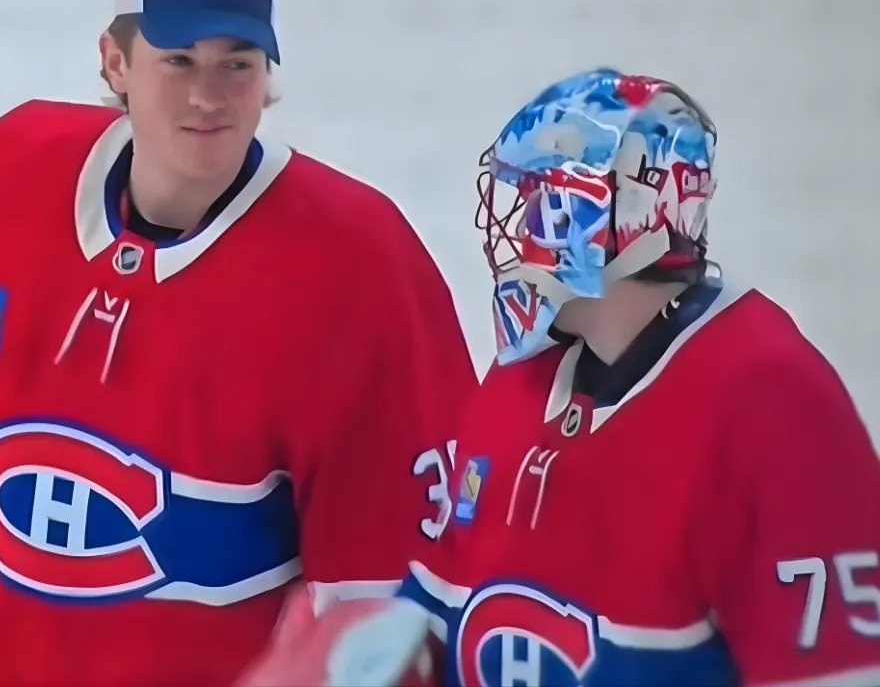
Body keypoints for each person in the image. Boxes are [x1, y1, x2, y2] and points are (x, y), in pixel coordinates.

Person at [0, 0, 478, 685]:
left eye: (237, 64)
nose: (208, 94)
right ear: (115, 61)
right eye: (178, 61)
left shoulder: (359, 268)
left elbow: (396, 595)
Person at [238, 69, 880, 687]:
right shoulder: (521, 384)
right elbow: (436, 617)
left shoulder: (775, 404)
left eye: (545, 202)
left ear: (619, 220)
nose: (516, 231)